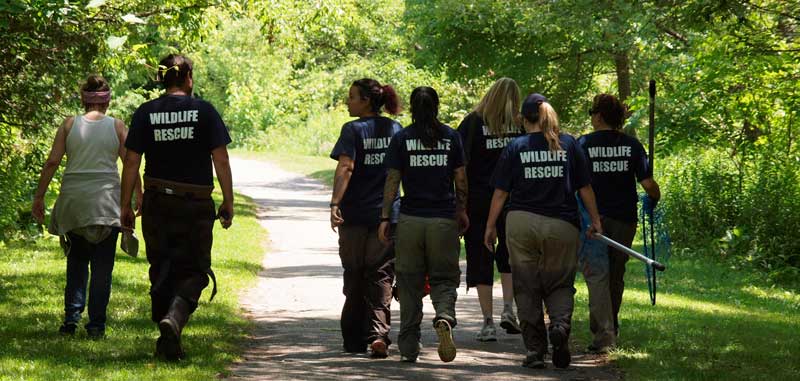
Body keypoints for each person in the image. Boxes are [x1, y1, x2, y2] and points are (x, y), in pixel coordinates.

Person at [120, 54, 234, 361]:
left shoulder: (146, 112)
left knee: (161, 267)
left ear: (162, 79)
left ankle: (168, 335)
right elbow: (220, 158)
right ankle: (175, 317)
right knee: (195, 270)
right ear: (188, 78)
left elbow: (132, 160)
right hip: (194, 203)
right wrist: (228, 199)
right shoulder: (205, 111)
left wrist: (126, 205)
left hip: (157, 200)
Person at [484, 93, 603, 369]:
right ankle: (559, 326)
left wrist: (490, 227)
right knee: (559, 283)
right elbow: (585, 188)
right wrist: (595, 220)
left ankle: (536, 351)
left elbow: (501, 193)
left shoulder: (516, 147)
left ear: (525, 120)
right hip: (561, 225)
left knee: (526, 286)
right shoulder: (569, 144)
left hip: (521, 222)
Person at [32, 75, 142, 338]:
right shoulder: (117, 126)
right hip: (106, 203)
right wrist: (139, 194)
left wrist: (39, 196)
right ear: (107, 101)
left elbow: (52, 163)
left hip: (75, 203)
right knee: (103, 268)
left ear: (83, 99)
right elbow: (130, 163)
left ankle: (70, 321)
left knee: (77, 262)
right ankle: (96, 327)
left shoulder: (69, 125)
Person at [379, 86, 469, 363]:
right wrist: (461, 210)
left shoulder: (402, 138)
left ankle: (408, 345)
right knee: (444, 277)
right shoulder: (451, 137)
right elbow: (461, 180)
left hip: (410, 220)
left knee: (409, 282)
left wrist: (385, 217)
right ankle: (444, 315)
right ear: (437, 106)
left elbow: (392, 182)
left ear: (413, 108)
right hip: (442, 219)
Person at [577, 94, 661, 353]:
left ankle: (604, 334)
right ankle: (609, 327)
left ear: (599, 116)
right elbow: (648, 185)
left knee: (597, 275)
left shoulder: (583, 144)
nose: (591, 116)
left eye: (592, 112)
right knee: (615, 274)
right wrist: (654, 199)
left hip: (594, 220)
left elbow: (577, 183)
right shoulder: (633, 146)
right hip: (625, 220)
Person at [329, 78, 402, 358]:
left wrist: (335, 202)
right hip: (387, 215)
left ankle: (353, 338)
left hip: (356, 214)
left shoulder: (352, 129)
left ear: (366, 101)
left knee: (355, 273)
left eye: (352, 97)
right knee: (381, 274)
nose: (348, 102)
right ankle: (378, 335)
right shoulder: (395, 128)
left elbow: (346, 167)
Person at [456, 77, 523, 342]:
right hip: (514, 202)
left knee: (480, 258)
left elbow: (459, 165)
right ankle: (509, 310)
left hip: (478, 201)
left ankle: (487, 323)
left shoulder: (472, 123)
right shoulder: (520, 126)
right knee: (510, 256)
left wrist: (459, 203)